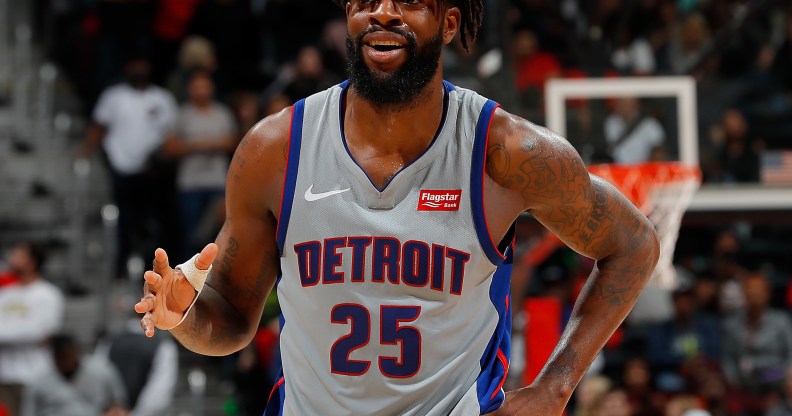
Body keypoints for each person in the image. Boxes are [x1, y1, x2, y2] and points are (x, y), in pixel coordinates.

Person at [134, 1, 660, 415]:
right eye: (365, 0)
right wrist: (182, 314)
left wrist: (556, 387)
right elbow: (227, 318)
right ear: (348, 17)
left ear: (449, 22)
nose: (382, 11)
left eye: (408, 1)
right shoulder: (275, 151)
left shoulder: (506, 153)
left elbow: (633, 244)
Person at [79, 56, 179, 279]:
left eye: (142, 65)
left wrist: (161, 159)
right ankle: (121, 263)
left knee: (152, 220)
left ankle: (153, 267)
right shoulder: (113, 96)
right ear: (127, 68)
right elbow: (99, 126)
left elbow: (171, 135)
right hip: (121, 168)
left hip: (152, 171)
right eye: (134, 65)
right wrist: (84, 154)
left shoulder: (162, 98)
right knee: (124, 220)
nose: (139, 69)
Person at [163, 70, 238, 259]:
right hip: (190, 183)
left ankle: (216, 281)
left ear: (212, 88)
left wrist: (202, 144)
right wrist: (200, 145)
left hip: (217, 183)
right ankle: (188, 281)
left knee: (220, 236)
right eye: (197, 87)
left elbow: (234, 142)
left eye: (204, 86)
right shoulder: (182, 115)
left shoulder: (222, 113)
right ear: (190, 89)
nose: (201, 91)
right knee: (191, 235)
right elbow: (170, 147)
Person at [0, 242, 64, 386]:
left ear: (32, 262)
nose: (12, 259)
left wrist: (6, 331)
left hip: (35, 375)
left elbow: (39, 332)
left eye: (18, 256)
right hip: (4, 376)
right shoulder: (4, 294)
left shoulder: (48, 294)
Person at [23, 334, 128, 416]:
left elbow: (119, 403)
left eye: (68, 355)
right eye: (61, 357)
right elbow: (29, 412)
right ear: (54, 357)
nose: (66, 362)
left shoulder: (101, 371)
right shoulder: (40, 382)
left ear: (76, 352)